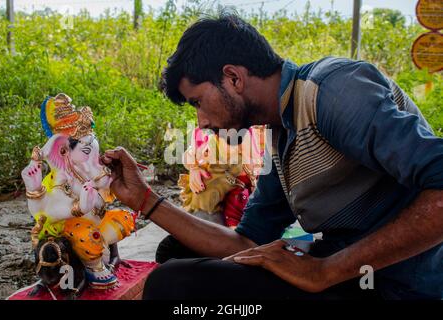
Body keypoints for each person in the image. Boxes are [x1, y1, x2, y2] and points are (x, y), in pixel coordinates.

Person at [101, 13, 443, 300]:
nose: (201, 122)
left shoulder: (332, 92)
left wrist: (324, 270)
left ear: (233, 78)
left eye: (197, 102)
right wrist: (145, 199)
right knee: (175, 252)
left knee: (171, 283)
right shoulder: (280, 132)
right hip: (339, 269)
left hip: (395, 286)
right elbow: (248, 240)